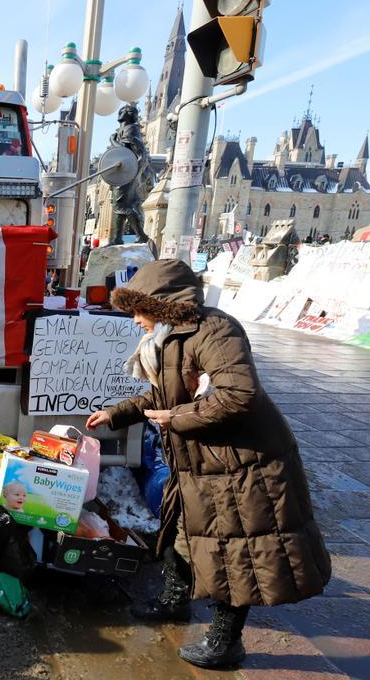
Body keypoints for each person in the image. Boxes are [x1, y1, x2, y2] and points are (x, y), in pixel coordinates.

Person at [86, 260, 330, 669]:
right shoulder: (169, 337)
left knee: (236, 551)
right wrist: (118, 413)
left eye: (138, 310)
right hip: (203, 460)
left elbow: (239, 394)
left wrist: (177, 419)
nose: (135, 320)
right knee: (183, 530)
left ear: (161, 304)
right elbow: (164, 396)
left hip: (243, 462)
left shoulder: (216, 330)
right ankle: (174, 601)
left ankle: (225, 641)